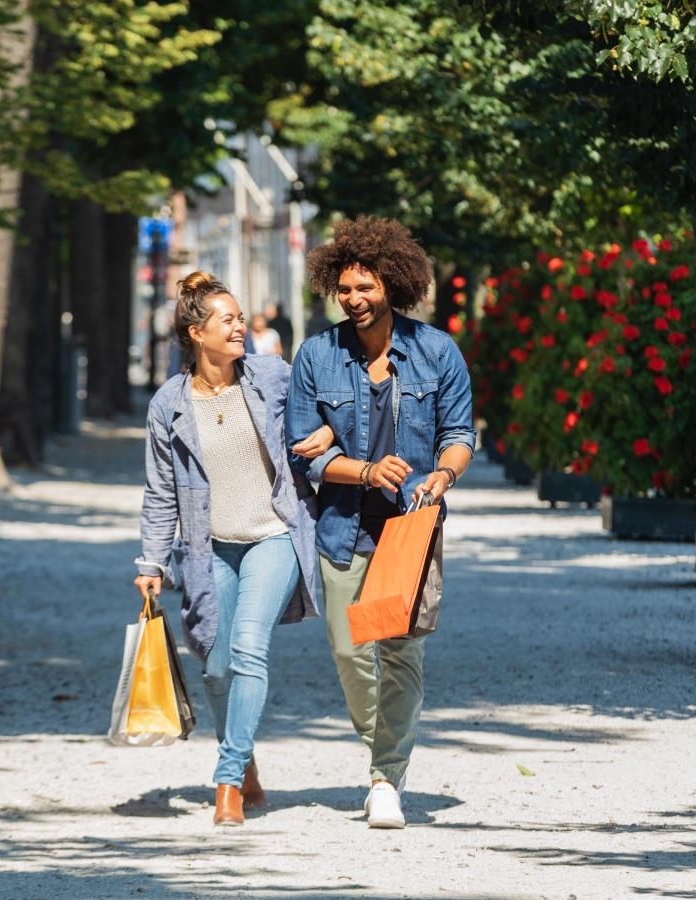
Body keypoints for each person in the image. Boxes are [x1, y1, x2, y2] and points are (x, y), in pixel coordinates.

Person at [286, 216, 475, 829]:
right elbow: (302, 448)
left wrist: (440, 477)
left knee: (399, 654)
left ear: (393, 284)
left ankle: (384, 777)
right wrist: (364, 471)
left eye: (364, 288)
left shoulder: (438, 351)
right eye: (344, 290)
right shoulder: (317, 354)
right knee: (350, 652)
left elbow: (457, 435)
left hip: (409, 527)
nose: (353, 300)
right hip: (342, 527)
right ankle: (382, 752)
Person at [134, 271, 334, 827]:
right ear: (197, 333)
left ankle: (226, 781)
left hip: (274, 534)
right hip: (209, 548)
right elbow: (161, 492)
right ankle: (244, 760)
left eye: (241, 317)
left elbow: (329, 414)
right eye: (228, 319)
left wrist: (331, 437)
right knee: (216, 666)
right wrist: (151, 561)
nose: (241, 326)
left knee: (248, 648)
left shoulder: (273, 376)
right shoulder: (169, 405)